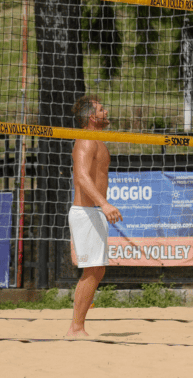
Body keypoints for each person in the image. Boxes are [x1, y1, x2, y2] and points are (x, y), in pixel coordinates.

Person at [67, 95, 122, 336]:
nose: (106, 111)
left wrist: (101, 206)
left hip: (93, 211)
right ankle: (76, 328)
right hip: (87, 212)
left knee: (97, 271)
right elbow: (81, 177)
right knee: (92, 271)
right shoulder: (86, 140)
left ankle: (78, 325)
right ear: (92, 117)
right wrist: (105, 204)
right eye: (101, 109)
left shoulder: (97, 140)